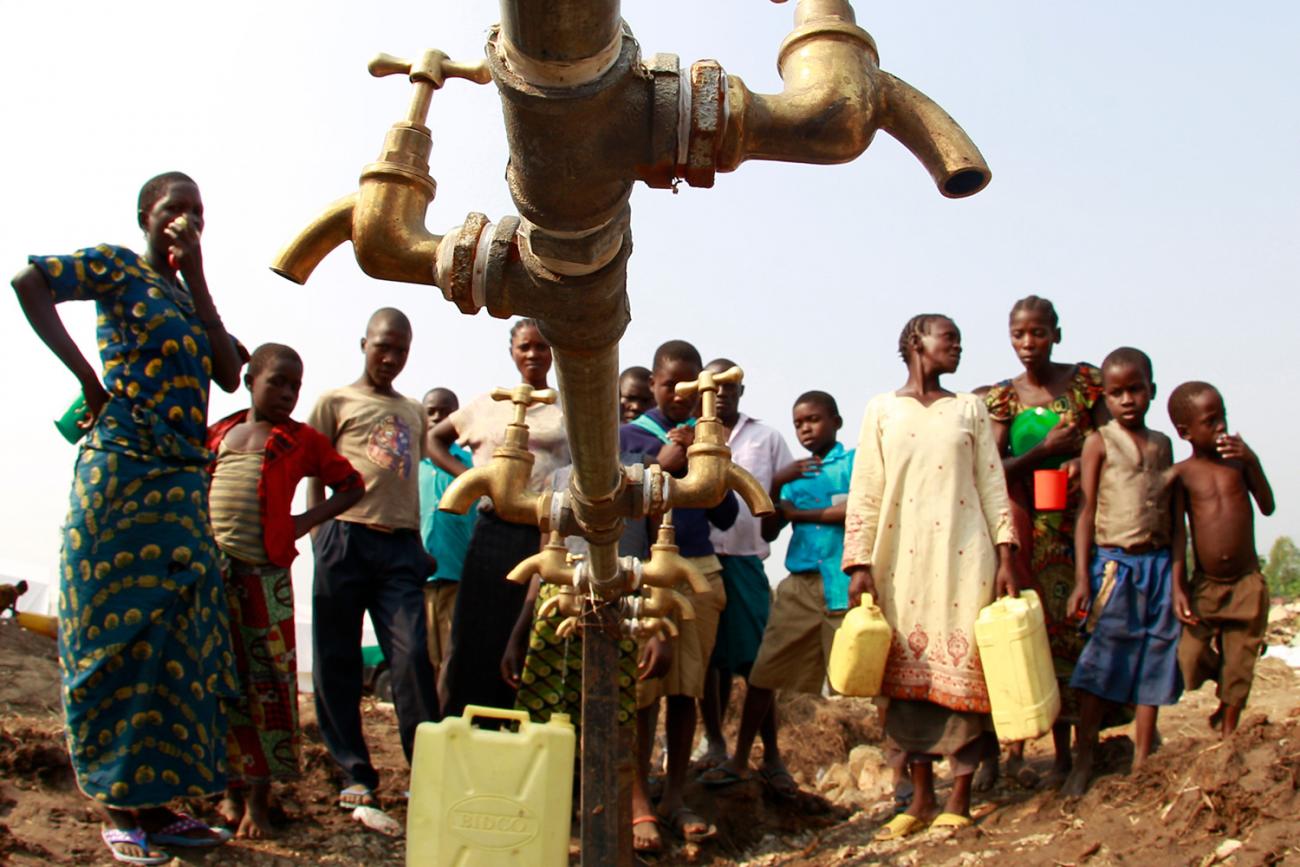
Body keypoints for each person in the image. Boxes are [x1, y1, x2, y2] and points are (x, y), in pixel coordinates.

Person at [11, 171, 244, 863]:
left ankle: (160, 803)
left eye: (199, 211)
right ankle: (117, 805)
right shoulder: (117, 267)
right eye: (176, 208)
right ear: (147, 214)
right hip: (121, 471)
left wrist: (199, 279)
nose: (188, 220)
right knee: (112, 633)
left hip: (178, 486)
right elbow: (30, 280)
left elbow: (230, 372)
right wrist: (87, 380)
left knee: (177, 637)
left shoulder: (186, 295)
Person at [843, 314, 1017, 839]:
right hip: (899, 565)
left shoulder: (971, 409)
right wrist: (859, 564)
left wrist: (1007, 555)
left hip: (965, 559)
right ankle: (919, 799)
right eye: (950, 339)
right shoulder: (880, 410)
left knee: (965, 676)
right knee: (908, 684)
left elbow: (992, 484)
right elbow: (866, 489)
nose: (958, 348)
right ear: (918, 343)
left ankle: (958, 798)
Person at [207, 343, 364, 838]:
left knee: (269, 689)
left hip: (265, 580)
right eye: (277, 381)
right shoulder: (219, 435)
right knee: (219, 683)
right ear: (250, 377)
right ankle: (228, 793)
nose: (288, 394)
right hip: (214, 581)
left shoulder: (300, 441)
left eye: (296, 385)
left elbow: (352, 486)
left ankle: (259, 799)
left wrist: (301, 523)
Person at [306, 307, 439, 810]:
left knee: (409, 658)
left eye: (400, 350)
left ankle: (425, 773)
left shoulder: (412, 410)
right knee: (336, 659)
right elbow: (311, 468)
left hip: (399, 546)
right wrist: (318, 530)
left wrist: (419, 540)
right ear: (364, 343)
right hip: (345, 536)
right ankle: (354, 774)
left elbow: (414, 478)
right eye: (383, 346)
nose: (390, 358)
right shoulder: (335, 401)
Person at [702, 391, 853, 800]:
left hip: (838, 578)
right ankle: (730, 754)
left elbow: (851, 512)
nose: (806, 428)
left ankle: (895, 770)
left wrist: (792, 507)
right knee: (743, 666)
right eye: (800, 422)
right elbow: (773, 523)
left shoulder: (847, 461)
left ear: (836, 421)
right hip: (784, 574)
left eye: (814, 420)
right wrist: (778, 486)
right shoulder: (793, 472)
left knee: (853, 673)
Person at [981, 295, 1107, 786]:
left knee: (1085, 636)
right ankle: (1057, 753)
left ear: (1056, 333)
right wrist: (1046, 453)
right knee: (1043, 641)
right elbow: (992, 472)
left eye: (1037, 333)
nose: (1027, 344)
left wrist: (1083, 460)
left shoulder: (1085, 384)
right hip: (1028, 534)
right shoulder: (1003, 399)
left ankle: (1086, 752)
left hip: (1081, 527)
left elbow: (1111, 440)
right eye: (1018, 335)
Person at [619, 339, 738, 845]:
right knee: (644, 689)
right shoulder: (628, 436)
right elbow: (619, 505)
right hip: (646, 572)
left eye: (689, 387)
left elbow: (727, 515)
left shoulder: (698, 436)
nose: (680, 397)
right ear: (652, 384)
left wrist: (705, 458)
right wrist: (663, 464)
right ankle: (637, 797)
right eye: (670, 385)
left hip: (700, 571)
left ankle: (675, 795)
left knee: (687, 688)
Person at [431, 318, 570, 718]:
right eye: (525, 346)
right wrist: (474, 481)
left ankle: (520, 737)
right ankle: (462, 730)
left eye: (541, 347)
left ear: (553, 352)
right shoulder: (489, 403)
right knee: (474, 634)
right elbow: (435, 438)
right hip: (492, 533)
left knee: (527, 634)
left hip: (544, 534)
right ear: (512, 351)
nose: (533, 354)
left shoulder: (567, 407)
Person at [1064, 347, 1184, 796]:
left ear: (1151, 389)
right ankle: (1084, 758)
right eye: (1117, 393)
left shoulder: (1163, 444)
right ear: (1106, 398)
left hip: (1157, 564)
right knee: (1102, 661)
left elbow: (1176, 521)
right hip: (1115, 566)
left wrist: (1177, 579)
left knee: (1158, 652)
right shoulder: (1099, 441)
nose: (1128, 399)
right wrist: (1082, 579)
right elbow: (1086, 511)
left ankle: (1143, 757)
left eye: (1136, 389)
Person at [696, 357, 793, 770]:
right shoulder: (690, 437)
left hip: (746, 558)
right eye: (712, 387)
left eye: (728, 388)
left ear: (740, 392)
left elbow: (779, 494)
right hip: (701, 556)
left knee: (758, 661)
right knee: (707, 659)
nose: (719, 396)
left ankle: (768, 753)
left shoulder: (766, 438)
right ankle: (714, 741)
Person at [1167, 381, 1274, 738]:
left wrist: (1253, 461)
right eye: (1211, 421)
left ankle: (1228, 731)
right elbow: (1178, 534)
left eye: (1223, 417)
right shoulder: (1182, 475)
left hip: (1246, 582)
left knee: (1241, 666)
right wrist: (1178, 586)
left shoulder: (1238, 464)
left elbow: (1268, 505)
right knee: (1188, 659)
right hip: (1207, 585)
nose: (1222, 428)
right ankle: (1219, 673)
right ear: (1185, 432)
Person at [417, 387, 474, 694]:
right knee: (422, 655)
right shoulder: (410, 465)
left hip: (456, 575)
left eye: (446, 412)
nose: (438, 417)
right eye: (432, 411)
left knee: (452, 657)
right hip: (418, 578)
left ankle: (444, 720)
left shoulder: (470, 465)